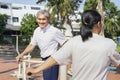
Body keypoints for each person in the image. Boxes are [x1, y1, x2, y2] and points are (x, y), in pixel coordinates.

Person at [26, 10, 120, 80]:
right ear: (99, 24)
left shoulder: (74, 41)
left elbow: (54, 58)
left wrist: (35, 70)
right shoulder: (109, 44)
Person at [16, 9, 67, 80]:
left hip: (52, 59)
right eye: (39, 19)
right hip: (43, 59)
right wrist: (22, 54)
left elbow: (66, 43)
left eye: (43, 19)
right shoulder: (37, 31)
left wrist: (62, 56)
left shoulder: (54, 31)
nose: (41, 21)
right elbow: (31, 45)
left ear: (48, 20)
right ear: (36, 19)